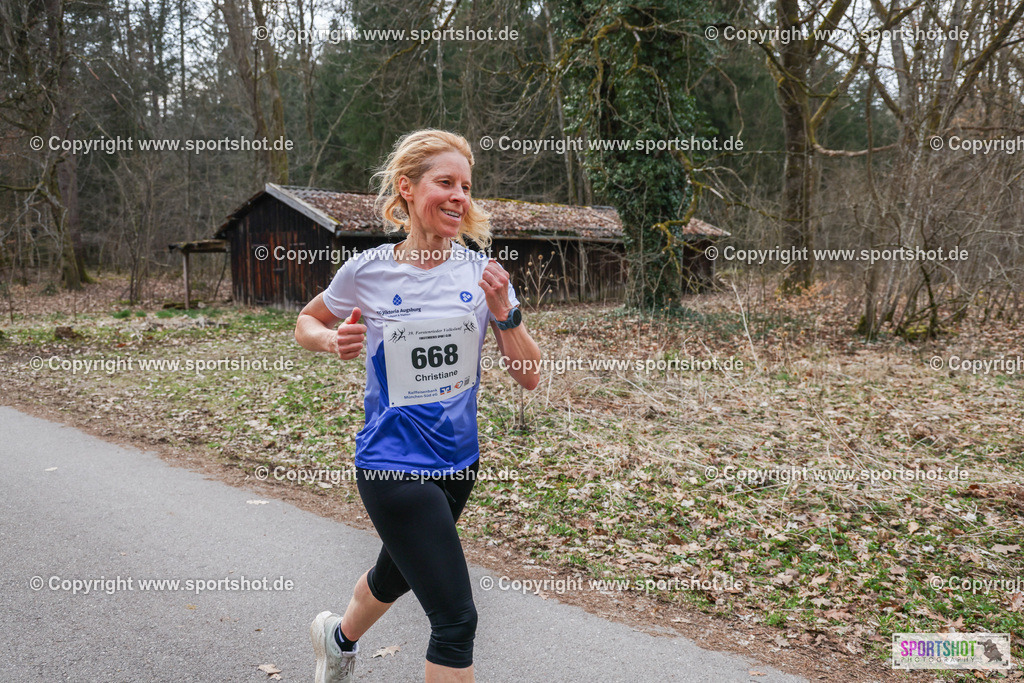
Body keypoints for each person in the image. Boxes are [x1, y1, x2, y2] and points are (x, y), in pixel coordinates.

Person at [294, 129, 542, 683]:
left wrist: (505, 313)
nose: (459, 197)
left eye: (466, 187)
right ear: (407, 188)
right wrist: (331, 340)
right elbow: (306, 321)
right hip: (392, 462)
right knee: (455, 620)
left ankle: (337, 640)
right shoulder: (368, 270)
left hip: (459, 461)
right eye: (445, 182)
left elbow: (528, 376)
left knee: (396, 572)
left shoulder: (481, 274)